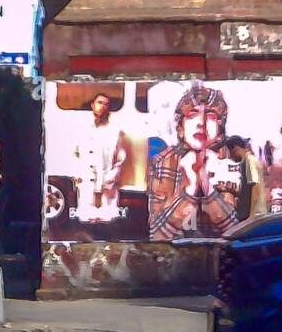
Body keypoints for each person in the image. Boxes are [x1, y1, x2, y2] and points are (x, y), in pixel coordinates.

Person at [148, 84, 239, 241]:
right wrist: (190, 192)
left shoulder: (231, 162)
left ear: (220, 129)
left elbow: (235, 232)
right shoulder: (162, 163)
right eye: (192, 115)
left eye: (210, 116)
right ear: (181, 128)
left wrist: (207, 189)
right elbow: (157, 236)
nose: (201, 123)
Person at [74, 91, 128, 223]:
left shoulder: (115, 131)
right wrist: (78, 174)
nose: (102, 106)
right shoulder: (82, 129)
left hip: (107, 185)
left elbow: (121, 159)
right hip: (87, 183)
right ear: (92, 105)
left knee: (107, 220)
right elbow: (75, 153)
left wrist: (111, 177)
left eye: (106, 104)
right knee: (86, 221)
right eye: (99, 103)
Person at [225, 136, 269, 220]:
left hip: (254, 215)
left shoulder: (249, 161)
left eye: (230, 153)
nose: (230, 157)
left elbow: (255, 187)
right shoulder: (247, 161)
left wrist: (251, 215)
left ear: (236, 149)